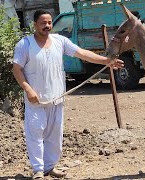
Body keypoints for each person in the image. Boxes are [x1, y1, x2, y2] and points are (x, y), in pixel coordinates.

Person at [12, 9, 123, 179]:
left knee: (55, 135)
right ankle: (38, 170)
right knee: (35, 133)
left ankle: (50, 167)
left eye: (49, 22)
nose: (47, 26)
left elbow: (82, 53)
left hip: (57, 98)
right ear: (35, 25)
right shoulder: (25, 44)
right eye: (43, 23)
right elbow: (17, 69)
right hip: (35, 100)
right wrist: (28, 89)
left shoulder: (60, 41)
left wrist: (107, 61)